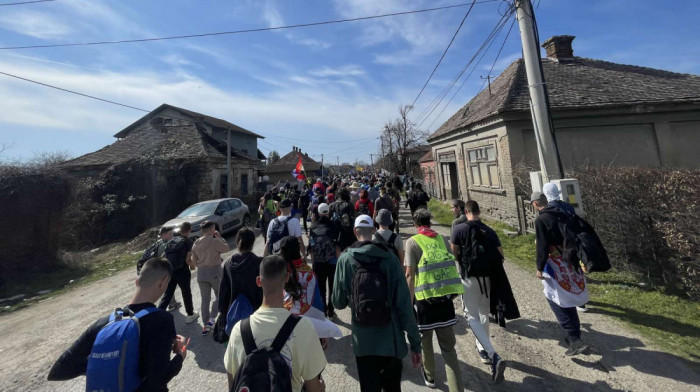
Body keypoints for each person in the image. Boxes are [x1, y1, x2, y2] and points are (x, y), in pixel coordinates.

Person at [48, 258, 187, 390]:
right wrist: (180, 356)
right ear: (163, 282)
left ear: (137, 281)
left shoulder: (103, 323)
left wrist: (106, 363)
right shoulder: (162, 319)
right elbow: (157, 381)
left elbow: (59, 371)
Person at [332, 215, 422, 392]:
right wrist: (415, 344)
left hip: (363, 342)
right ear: (373, 231)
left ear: (354, 232)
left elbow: (338, 302)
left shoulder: (344, 260)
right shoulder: (391, 259)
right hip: (391, 340)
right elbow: (404, 305)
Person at [224, 255, 327, 392]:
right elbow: (313, 387)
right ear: (287, 278)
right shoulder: (304, 327)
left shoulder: (239, 330)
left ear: (259, 281)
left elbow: (232, 384)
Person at [404, 209, 465, 390]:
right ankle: (457, 387)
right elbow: (451, 261)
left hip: (424, 300)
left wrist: (409, 300)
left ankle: (430, 376)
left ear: (416, 225)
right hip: (444, 298)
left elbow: (409, 274)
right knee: (448, 348)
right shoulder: (441, 239)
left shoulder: (413, 242)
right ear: (430, 222)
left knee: (426, 342)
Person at [450, 201, 507, 383]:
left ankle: (492, 354)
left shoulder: (459, 229)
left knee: (470, 315)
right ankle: (482, 347)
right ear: (478, 211)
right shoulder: (489, 231)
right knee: (484, 312)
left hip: (468, 277)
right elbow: (500, 255)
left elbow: (454, 253)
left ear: (466, 212)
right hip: (487, 278)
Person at [531, 187, 590, 356]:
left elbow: (542, 246)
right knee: (569, 297)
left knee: (555, 299)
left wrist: (539, 267)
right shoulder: (566, 211)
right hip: (571, 259)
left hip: (555, 263)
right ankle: (575, 334)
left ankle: (574, 339)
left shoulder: (542, 219)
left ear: (535, 204)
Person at [190, 220, 230, 335]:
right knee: (220, 294)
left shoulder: (196, 243)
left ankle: (205, 323)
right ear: (212, 229)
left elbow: (193, 262)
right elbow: (226, 248)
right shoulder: (215, 240)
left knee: (204, 299)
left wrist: (203, 265)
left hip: (201, 273)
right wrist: (220, 237)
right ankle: (212, 318)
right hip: (215, 271)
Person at [219, 227, 263, 318]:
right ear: (253, 242)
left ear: (237, 241)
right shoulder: (259, 263)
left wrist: (223, 313)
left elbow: (223, 292)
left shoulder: (227, 264)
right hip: (256, 312)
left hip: (234, 313)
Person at [158, 223, 199, 324]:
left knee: (168, 293)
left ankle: (157, 314)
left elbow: (163, 256)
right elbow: (188, 258)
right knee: (186, 292)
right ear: (190, 230)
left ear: (180, 230)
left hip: (171, 271)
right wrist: (192, 267)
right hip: (182, 271)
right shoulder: (188, 241)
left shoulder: (173, 240)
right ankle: (190, 314)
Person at [280, 236, 325, 318]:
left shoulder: (278, 272)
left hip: (284, 322)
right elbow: (317, 302)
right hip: (309, 322)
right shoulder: (309, 273)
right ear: (298, 250)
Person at [309, 203, 341, 318]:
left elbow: (312, 248)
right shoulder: (334, 225)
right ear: (328, 212)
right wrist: (339, 263)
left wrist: (313, 264)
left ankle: (323, 309)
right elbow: (337, 247)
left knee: (321, 288)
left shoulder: (313, 226)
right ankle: (331, 311)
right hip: (332, 262)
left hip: (318, 262)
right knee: (332, 287)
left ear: (318, 212)